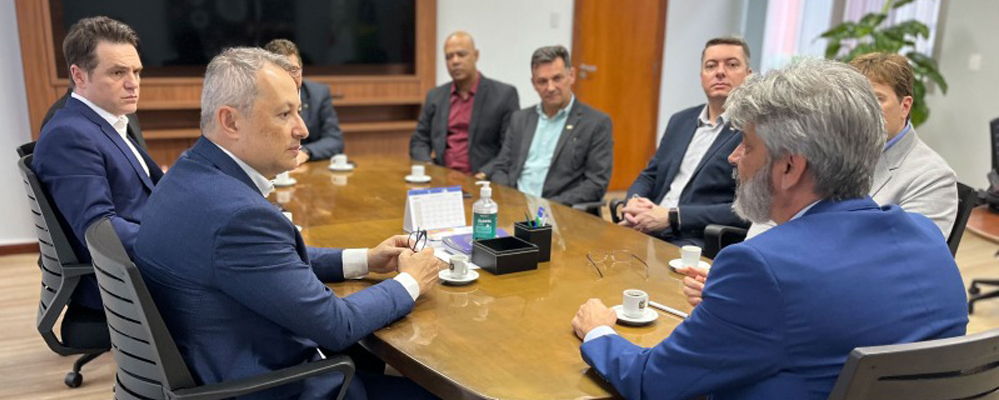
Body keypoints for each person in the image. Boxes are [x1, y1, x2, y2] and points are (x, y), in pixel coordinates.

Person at [571, 58, 968, 400]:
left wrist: (599, 334)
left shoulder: (761, 268)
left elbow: (651, 382)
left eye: (746, 144)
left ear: (790, 167)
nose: (733, 157)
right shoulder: (926, 237)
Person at [134, 47, 442, 399]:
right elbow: (336, 326)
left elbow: (269, 262)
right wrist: (411, 281)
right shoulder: (238, 217)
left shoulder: (184, 175)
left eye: (298, 111)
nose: (303, 129)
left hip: (219, 365)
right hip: (274, 387)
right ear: (230, 121)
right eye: (285, 114)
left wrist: (365, 259)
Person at [746, 52, 958, 239]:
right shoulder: (820, 146)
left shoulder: (933, 176)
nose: (864, 110)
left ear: (905, 106)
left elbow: (906, 255)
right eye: (855, 100)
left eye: (877, 99)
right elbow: (773, 208)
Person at [33, 16, 161, 317]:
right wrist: (181, 241)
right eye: (118, 72)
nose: (133, 83)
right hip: (126, 284)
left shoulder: (111, 119)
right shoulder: (69, 135)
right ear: (79, 75)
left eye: (136, 71)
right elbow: (101, 232)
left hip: (144, 261)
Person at [619, 37, 751, 246]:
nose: (720, 72)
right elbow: (650, 175)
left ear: (748, 76)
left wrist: (672, 216)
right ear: (701, 76)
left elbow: (747, 208)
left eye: (732, 64)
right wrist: (634, 201)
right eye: (711, 65)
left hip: (693, 238)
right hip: (646, 226)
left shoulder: (753, 129)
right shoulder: (680, 120)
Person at [489, 45, 613, 205]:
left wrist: (546, 206)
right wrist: (511, 198)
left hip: (562, 213)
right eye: (542, 81)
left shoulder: (596, 123)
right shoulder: (520, 119)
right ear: (533, 83)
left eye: (557, 78)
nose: (550, 87)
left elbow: (596, 184)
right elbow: (501, 167)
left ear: (572, 76)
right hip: (515, 206)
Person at [409, 31, 519, 178]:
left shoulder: (503, 95)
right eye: (449, 57)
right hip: (443, 179)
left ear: (476, 55)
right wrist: (428, 167)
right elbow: (419, 140)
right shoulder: (435, 96)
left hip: (484, 180)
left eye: (461, 54)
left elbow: (509, 148)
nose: (455, 61)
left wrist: (483, 174)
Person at [264, 38, 345, 163]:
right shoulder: (258, 98)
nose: (289, 78)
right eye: (280, 71)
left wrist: (305, 152)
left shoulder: (318, 94)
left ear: (302, 70)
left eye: (294, 70)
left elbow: (335, 141)